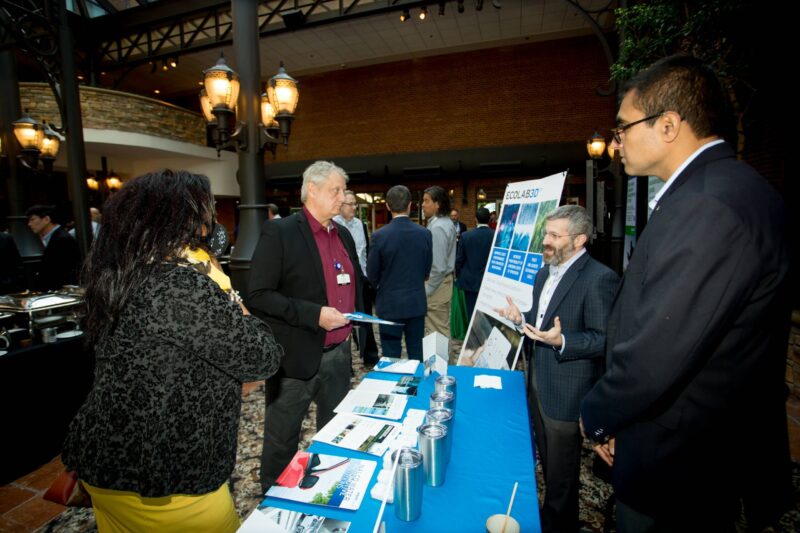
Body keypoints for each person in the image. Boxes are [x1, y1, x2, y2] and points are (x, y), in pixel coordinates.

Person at [580, 55, 791, 531]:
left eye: (622, 129)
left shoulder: (708, 205)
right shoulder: (723, 190)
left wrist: (598, 413)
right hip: (691, 446)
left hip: (678, 461)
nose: (616, 144)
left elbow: (659, 351)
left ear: (669, 125)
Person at [61, 169, 283, 532]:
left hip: (105, 462)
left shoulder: (120, 272)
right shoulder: (180, 286)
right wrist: (228, 292)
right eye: (203, 214)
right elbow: (262, 356)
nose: (208, 225)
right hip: (164, 479)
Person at [497, 205, 617, 533]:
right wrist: (520, 318)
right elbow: (541, 319)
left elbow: (602, 339)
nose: (545, 241)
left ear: (579, 240)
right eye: (545, 233)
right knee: (549, 468)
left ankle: (557, 526)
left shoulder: (599, 278)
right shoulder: (543, 272)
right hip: (537, 383)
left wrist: (563, 341)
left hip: (567, 393)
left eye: (554, 235)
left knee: (562, 479)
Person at [249, 161, 363, 492]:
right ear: (311, 189)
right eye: (336, 191)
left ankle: (325, 494)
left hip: (338, 355)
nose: (343, 198)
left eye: (344, 191)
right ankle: (274, 501)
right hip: (295, 357)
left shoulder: (342, 233)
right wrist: (314, 314)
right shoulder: (281, 232)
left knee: (334, 432)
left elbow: (352, 282)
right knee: (283, 439)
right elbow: (259, 295)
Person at [367, 185, 432, 361]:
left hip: (389, 304)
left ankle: (391, 387)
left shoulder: (379, 236)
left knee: (390, 356)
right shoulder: (425, 234)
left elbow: (372, 275)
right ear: (411, 205)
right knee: (417, 353)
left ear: (387, 206)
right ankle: (418, 387)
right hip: (415, 303)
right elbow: (427, 270)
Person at [334, 190, 379, 364]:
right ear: (340, 205)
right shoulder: (333, 226)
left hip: (361, 279)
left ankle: (370, 356)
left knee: (365, 317)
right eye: (350, 204)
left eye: (355, 204)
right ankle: (346, 362)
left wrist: (367, 276)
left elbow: (365, 251)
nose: (354, 207)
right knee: (343, 320)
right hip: (341, 280)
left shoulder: (361, 224)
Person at [422, 186, 456, 342]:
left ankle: (440, 366)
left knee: (436, 333)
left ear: (438, 204)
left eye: (426, 201)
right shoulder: (443, 223)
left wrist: (427, 290)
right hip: (441, 284)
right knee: (438, 330)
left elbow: (438, 267)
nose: (422, 204)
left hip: (437, 286)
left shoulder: (438, 227)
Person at [25, 204, 81, 291]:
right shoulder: (54, 238)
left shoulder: (62, 239)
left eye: (32, 219)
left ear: (47, 219)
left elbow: (61, 272)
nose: (29, 224)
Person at [456, 207, 494, 318]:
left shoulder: (466, 236)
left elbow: (459, 260)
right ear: (490, 220)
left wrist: (458, 276)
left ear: (475, 219)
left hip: (470, 280)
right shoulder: (496, 236)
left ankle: (471, 333)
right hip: (490, 281)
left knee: (471, 311)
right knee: (488, 312)